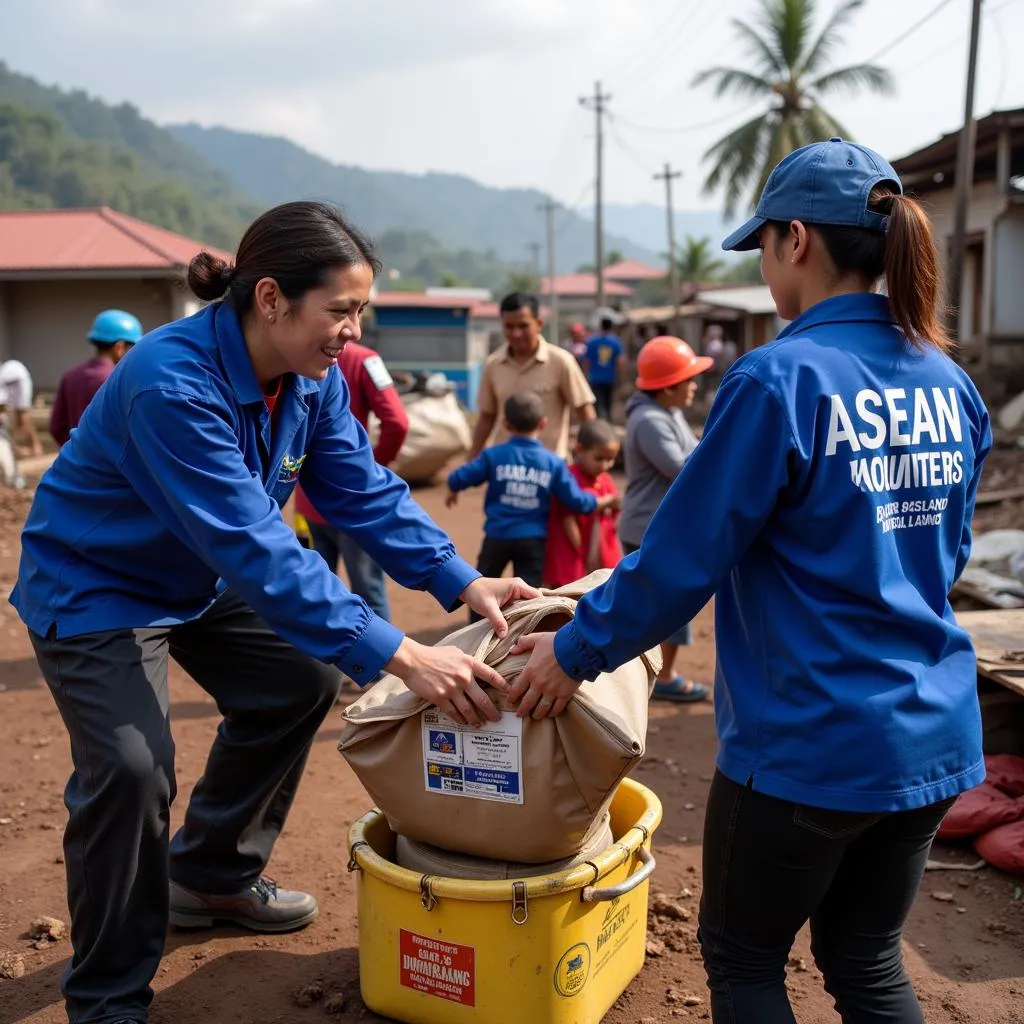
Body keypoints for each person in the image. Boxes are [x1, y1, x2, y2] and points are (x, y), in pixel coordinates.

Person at [10, 200, 538, 1024]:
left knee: (298, 678)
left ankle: (211, 875)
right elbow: (256, 548)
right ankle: (108, 996)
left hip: (198, 578)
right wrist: (405, 655)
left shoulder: (312, 380)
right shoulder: (168, 382)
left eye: (358, 311)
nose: (351, 331)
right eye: (340, 311)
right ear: (269, 299)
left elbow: (361, 491)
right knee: (131, 769)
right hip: (98, 584)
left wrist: (462, 580)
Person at [508, 139, 991, 1023]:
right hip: (931, 734)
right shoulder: (950, 382)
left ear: (795, 240)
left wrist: (572, 650)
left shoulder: (778, 379)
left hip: (810, 744)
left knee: (742, 959)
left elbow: (686, 556)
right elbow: (945, 556)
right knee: (867, 960)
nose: (766, 266)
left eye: (762, 245)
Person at [447, 391, 615, 606]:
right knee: (529, 596)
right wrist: (603, 501)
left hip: (497, 536)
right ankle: (522, 635)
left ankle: (475, 629)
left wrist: (453, 487)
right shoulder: (553, 463)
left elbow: (463, 476)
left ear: (506, 424)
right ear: (543, 424)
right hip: (533, 540)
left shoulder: (494, 455)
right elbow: (577, 501)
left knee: (482, 586)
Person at [620, 335, 713, 703]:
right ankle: (659, 678)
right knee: (662, 607)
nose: (693, 386)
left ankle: (657, 675)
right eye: (687, 380)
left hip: (664, 525)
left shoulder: (668, 413)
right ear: (667, 387)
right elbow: (682, 468)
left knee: (665, 606)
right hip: (649, 527)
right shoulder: (649, 420)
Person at [293, 341, 409, 624]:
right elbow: (397, 422)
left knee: (313, 595)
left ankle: (317, 669)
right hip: (355, 502)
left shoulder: (294, 353)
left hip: (306, 501)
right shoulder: (366, 360)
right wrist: (371, 468)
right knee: (369, 594)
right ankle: (382, 669)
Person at [468, 292, 595, 461]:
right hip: (506, 469)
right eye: (509, 327)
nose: (516, 333)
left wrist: (593, 454)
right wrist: (470, 461)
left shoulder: (561, 362)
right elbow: (487, 416)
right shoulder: (493, 365)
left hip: (550, 469)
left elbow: (584, 411)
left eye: (523, 326)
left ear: (538, 324)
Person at [543, 418, 623, 589]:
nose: (605, 465)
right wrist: (581, 552)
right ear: (579, 449)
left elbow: (614, 518)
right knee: (567, 592)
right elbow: (567, 519)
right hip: (573, 549)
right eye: (599, 458)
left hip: (598, 547)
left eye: (610, 459)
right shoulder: (569, 478)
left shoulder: (606, 480)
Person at [50, 309, 143, 446]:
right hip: (112, 464)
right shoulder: (121, 380)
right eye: (132, 348)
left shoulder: (70, 376)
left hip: (75, 460)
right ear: (119, 347)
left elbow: (56, 427)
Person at [583, 316, 625, 421]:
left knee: (596, 401)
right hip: (609, 377)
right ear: (611, 327)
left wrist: (585, 375)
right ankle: (608, 420)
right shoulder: (616, 342)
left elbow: (586, 361)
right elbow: (619, 362)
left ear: (601, 326)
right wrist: (620, 378)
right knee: (608, 400)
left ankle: (598, 421)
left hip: (594, 377)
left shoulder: (592, 342)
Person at [0, 358, 44, 456]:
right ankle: (29, 447)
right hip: (16, 375)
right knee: (20, 416)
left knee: (22, 416)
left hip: (15, 377)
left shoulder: (9, 373)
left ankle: (34, 446)